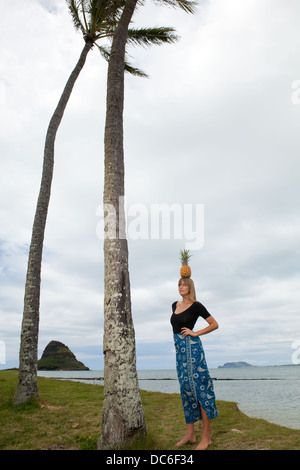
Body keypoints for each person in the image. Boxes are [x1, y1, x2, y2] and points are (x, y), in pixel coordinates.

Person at [171, 277, 219, 450]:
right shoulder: (174, 305)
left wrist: (195, 332)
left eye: (184, 285)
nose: (181, 287)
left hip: (193, 350)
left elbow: (214, 324)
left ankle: (206, 438)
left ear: (190, 287)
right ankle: (190, 434)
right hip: (180, 353)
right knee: (186, 390)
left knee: (201, 390)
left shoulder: (197, 306)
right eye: (179, 285)